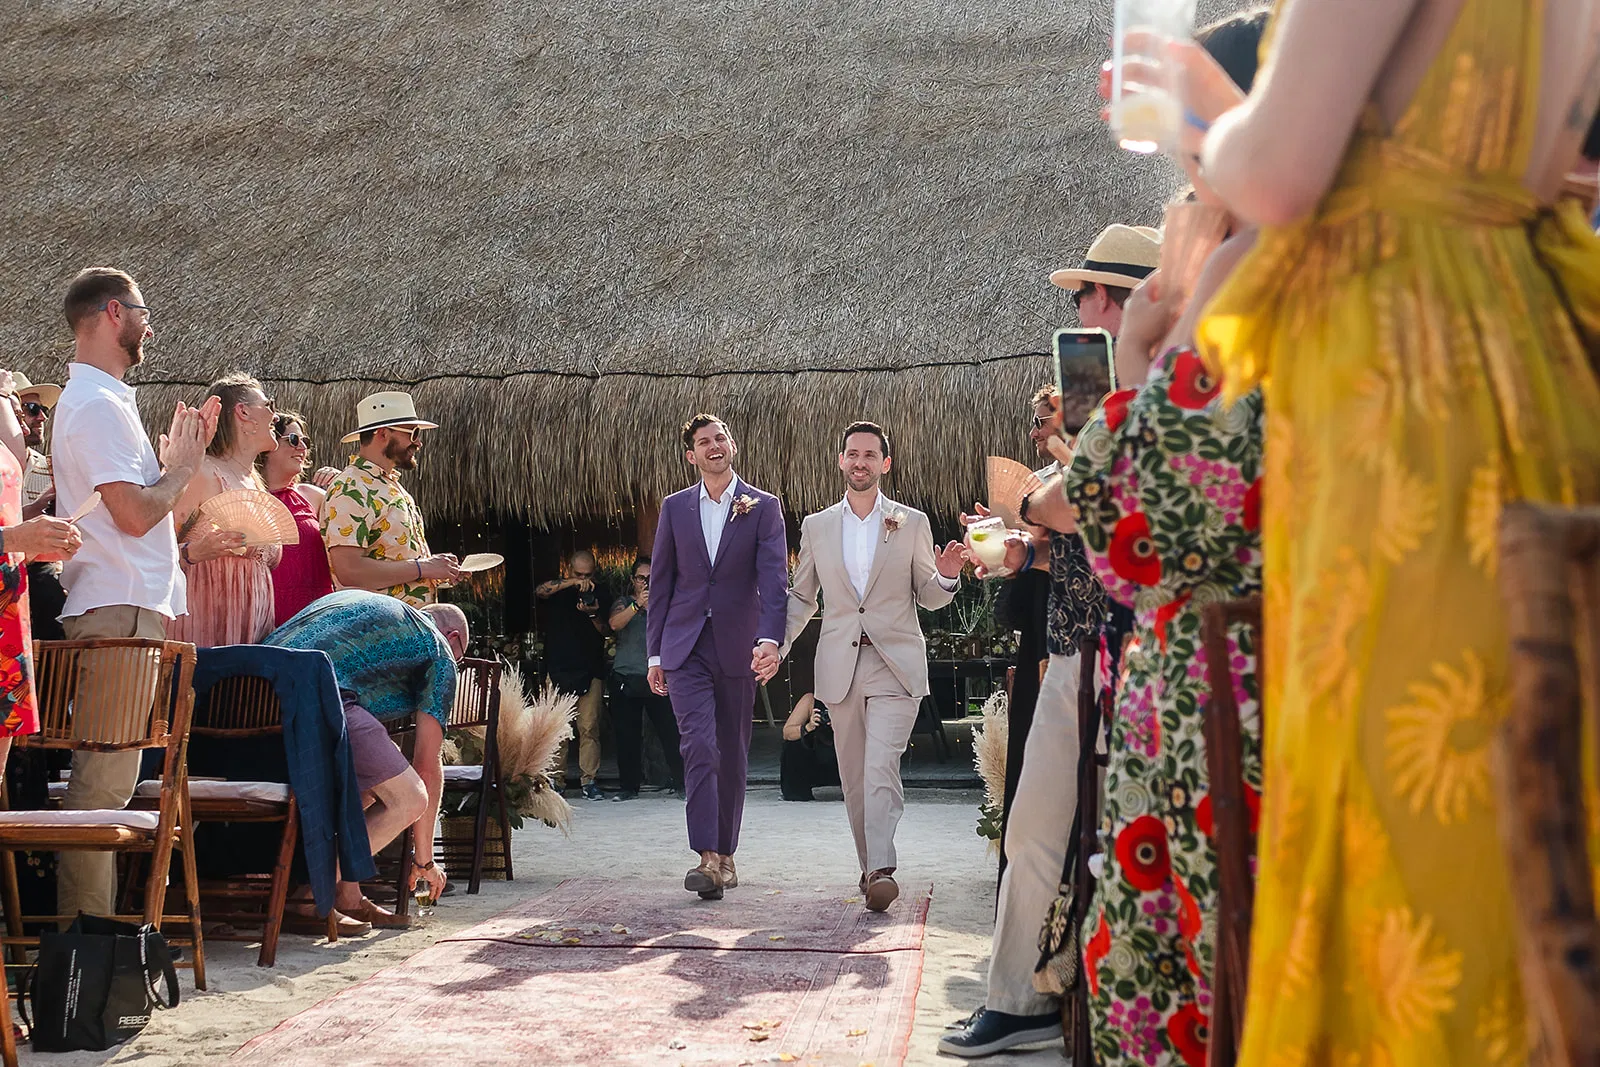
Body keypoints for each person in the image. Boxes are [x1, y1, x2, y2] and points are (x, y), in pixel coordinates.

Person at [1194, 2, 1600, 1061]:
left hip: (1405, 390)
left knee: (1399, 819)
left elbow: (1279, 171)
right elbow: (1545, 162)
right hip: (1528, 352)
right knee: (1537, 783)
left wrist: (1210, 119)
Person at [51, 266, 219, 922]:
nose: (152, 325)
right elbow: (131, 515)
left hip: (128, 603)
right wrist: (181, 468)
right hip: (117, 609)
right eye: (144, 311)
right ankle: (79, 955)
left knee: (110, 784)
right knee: (101, 786)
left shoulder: (105, 400)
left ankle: (89, 947)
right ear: (114, 311)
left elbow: (140, 520)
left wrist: (175, 470)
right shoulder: (94, 405)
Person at [779, 421, 964, 911]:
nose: (860, 462)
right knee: (854, 775)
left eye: (870, 455)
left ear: (885, 464)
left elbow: (928, 597)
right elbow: (802, 596)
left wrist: (945, 578)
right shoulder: (817, 526)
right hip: (840, 667)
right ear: (841, 461)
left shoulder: (913, 522)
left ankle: (881, 866)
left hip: (895, 665)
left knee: (881, 765)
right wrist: (773, 645)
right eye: (852, 454)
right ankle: (868, 867)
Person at [264, 590, 468, 928]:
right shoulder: (440, 649)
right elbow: (426, 765)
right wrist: (425, 861)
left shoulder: (384, 613)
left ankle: (348, 896)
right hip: (319, 691)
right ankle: (312, 895)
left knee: (371, 786)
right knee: (410, 797)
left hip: (250, 690)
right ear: (454, 638)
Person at [646, 413, 787, 900]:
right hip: (684, 647)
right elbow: (660, 582)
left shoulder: (763, 507)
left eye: (720, 438)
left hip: (737, 645)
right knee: (699, 745)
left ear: (732, 445)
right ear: (691, 455)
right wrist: (655, 654)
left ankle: (727, 852)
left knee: (733, 750)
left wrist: (769, 638)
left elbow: (774, 581)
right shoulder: (674, 508)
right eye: (704, 442)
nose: (714, 446)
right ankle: (706, 856)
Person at [166, 374, 281, 647]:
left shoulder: (255, 482)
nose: (276, 416)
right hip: (205, 620)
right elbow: (155, 551)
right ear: (243, 412)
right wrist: (192, 552)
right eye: (270, 405)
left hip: (254, 624)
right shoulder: (203, 473)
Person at [321, 391, 461, 605]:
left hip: (404, 626)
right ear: (383, 433)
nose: (419, 443)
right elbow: (349, 570)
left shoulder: (391, 486)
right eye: (413, 433)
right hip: (377, 629)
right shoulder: (349, 487)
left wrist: (439, 570)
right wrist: (424, 567)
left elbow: (397, 563)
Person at [606, 555, 683, 801]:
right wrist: (638, 605)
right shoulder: (624, 602)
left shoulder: (670, 602)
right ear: (633, 580)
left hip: (661, 677)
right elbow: (614, 624)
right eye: (642, 578)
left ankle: (683, 783)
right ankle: (629, 786)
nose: (647, 583)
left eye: (652, 578)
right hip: (626, 678)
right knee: (626, 736)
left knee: (672, 733)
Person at [536, 550, 607, 800]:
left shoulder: (601, 591)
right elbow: (540, 591)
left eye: (588, 575)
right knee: (558, 729)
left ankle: (590, 781)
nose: (584, 580)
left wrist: (592, 613)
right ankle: (556, 779)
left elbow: (607, 630)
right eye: (579, 574)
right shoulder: (558, 590)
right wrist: (572, 583)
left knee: (589, 728)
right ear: (569, 570)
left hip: (591, 668)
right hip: (558, 668)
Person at [259, 411, 335, 625]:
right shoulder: (247, 497)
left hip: (318, 617)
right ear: (268, 445)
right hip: (267, 618)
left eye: (305, 441)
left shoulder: (314, 496)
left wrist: (343, 485)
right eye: (293, 440)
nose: (302, 448)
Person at [11, 374, 66, 640]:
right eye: (33, 410)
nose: (42, 417)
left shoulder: (53, 470)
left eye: (43, 410)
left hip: (45, 588)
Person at [779, 620, 840, 802]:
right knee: (793, 745)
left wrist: (843, 725)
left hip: (843, 758)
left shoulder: (853, 700)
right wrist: (808, 728)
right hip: (815, 757)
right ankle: (798, 791)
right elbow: (787, 733)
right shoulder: (810, 700)